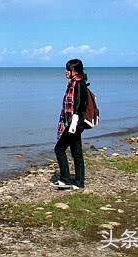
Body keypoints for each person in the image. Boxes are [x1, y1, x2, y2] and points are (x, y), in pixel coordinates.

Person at [51, 58, 89, 190]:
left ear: (74, 71)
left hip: (74, 124)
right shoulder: (75, 83)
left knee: (59, 149)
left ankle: (66, 179)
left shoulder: (79, 84)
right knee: (76, 152)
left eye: (68, 69)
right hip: (74, 123)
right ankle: (79, 182)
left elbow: (78, 105)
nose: (66, 72)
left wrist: (73, 125)